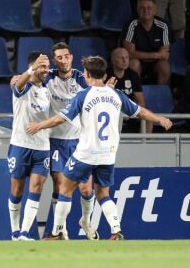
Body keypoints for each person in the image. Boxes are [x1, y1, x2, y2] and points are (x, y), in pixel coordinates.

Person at [27, 56, 172, 240]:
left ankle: (56, 232)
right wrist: (159, 119)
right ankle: (116, 230)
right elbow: (139, 112)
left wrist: (39, 125)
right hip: (108, 154)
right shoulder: (116, 95)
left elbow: (60, 119)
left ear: (87, 74)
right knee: (103, 194)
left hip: (86, 153)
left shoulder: (83, 95)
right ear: (104, 75)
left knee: (65, 189)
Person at [45, 42, 98, 240]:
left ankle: (86, 221)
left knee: (86, 188)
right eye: (59, 57)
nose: (64, 60)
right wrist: (18, 79)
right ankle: (61, 230)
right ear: (54, 60)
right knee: (59, 185)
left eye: (66, 56)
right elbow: (29, 82)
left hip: (79, 141)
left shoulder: (80, 78)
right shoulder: (48, 77)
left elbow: (96, 93)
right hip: (56, 140)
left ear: (71, 57)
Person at [7, 51, 51, 241]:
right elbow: (17, 85)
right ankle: (15, 231)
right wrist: (30, 70)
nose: (46, 70)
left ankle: (25, 232)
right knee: (16, 190)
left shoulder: (47, 90)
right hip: (20, 145)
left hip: (42, 147)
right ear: (32, 66)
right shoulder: (22, 86)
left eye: (47, 67)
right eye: (42, 66)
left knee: (37, 186)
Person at [121, 0, 173, 85]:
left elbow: (164, 55)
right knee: (133, 64)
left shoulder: (164, 26)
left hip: (156, 63)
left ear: (155, 10)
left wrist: (156, 56)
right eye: (142, 8)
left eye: (149, 7)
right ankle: (135, 95)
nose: (146, 10)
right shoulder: (131, 25)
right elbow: (129, 53)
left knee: (165, 66)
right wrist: (156, 55)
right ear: (137, 10)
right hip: (137, 61)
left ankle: (160, 95)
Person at [106, 47, 151, 133]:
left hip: (129, 109)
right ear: (113, 60)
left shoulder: (133, 75)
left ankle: (145, 143)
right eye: (121, 58)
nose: (125, 61)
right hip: (111, 109)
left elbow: (141, 102)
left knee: (149, 116)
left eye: (127, 58)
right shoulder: (105, 75)